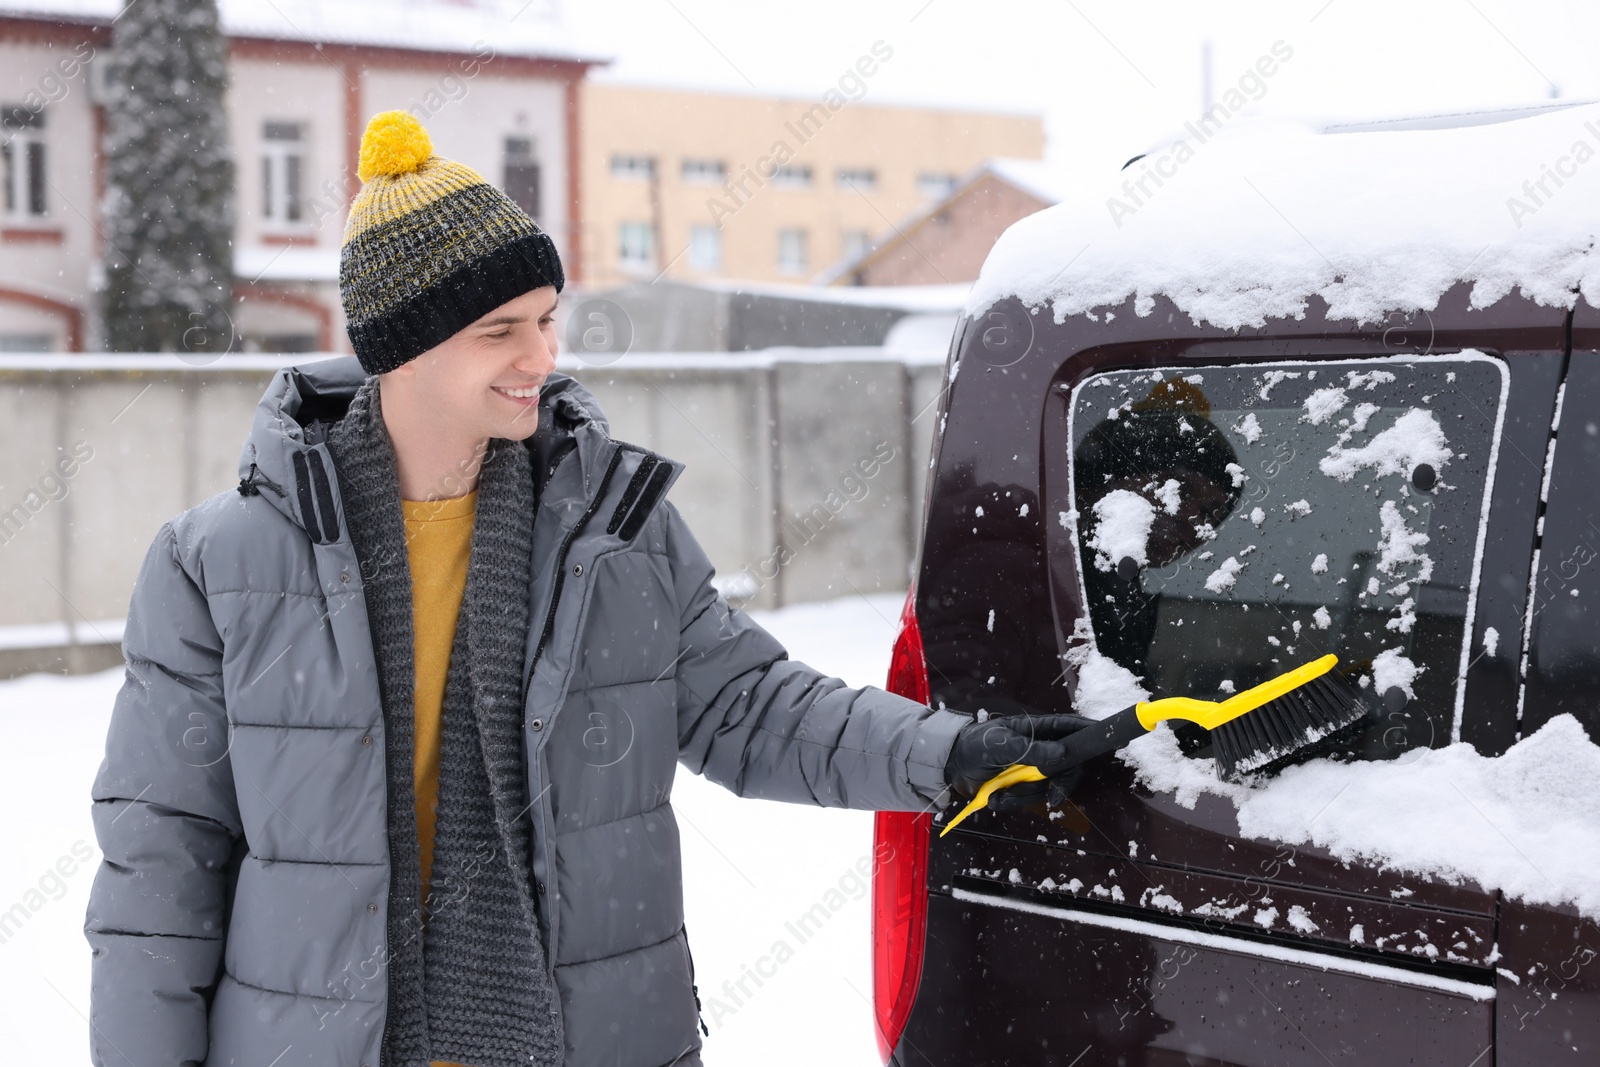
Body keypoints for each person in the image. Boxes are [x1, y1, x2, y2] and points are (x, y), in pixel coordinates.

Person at [83, 111, 1091, 1067]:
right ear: (403, 345)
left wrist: (950, 747)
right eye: (500, 331)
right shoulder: (218, 563)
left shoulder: (612, 529)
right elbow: (159, 869)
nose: (543, 357)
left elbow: (750, 705)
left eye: (547, 319)